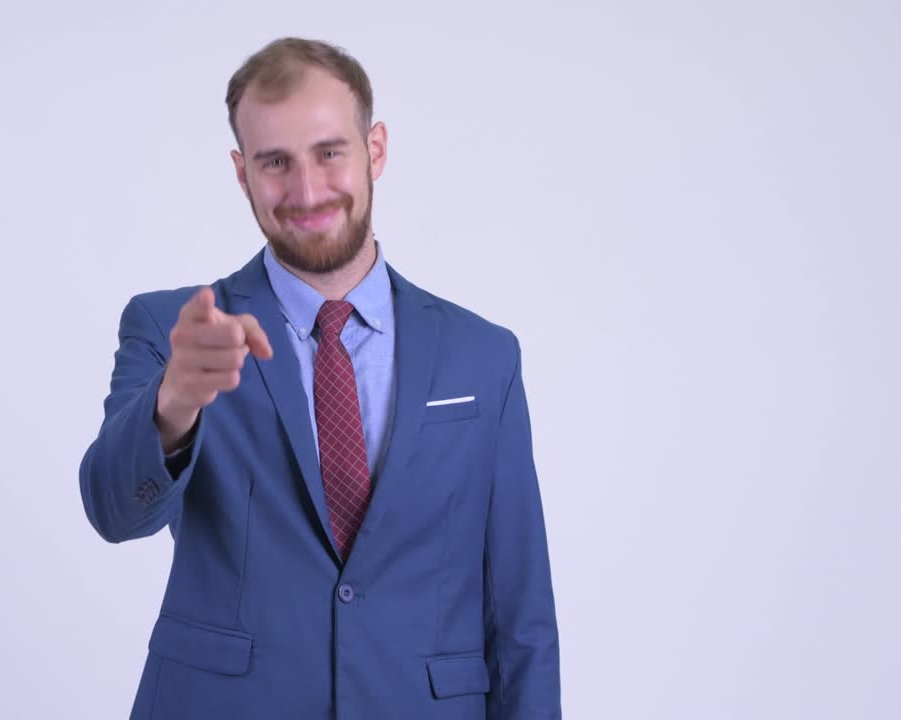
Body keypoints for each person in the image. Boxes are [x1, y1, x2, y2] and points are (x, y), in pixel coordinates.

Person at [79, 37, 560, 720]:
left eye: (329, 152)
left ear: (377, 150)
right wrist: (175, 404)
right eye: (275, 162)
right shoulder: (175, 330)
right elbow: (113, 510)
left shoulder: (483, 356)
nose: (306, 191)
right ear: (243, 174)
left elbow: (520, 613)